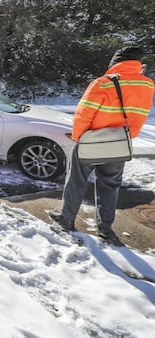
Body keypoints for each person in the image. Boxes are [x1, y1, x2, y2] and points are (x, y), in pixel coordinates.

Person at [49, 46, 154, 240]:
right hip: (119, 142)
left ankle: (66, 219)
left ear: (115, 63)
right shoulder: (147, 85)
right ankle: (105, 228)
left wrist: (79, 137)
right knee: (110, 185)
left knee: (76, 181)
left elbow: (83, 114)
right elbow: (140, 115)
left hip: (91, 140)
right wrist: (126, 135)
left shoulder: (102, 83)